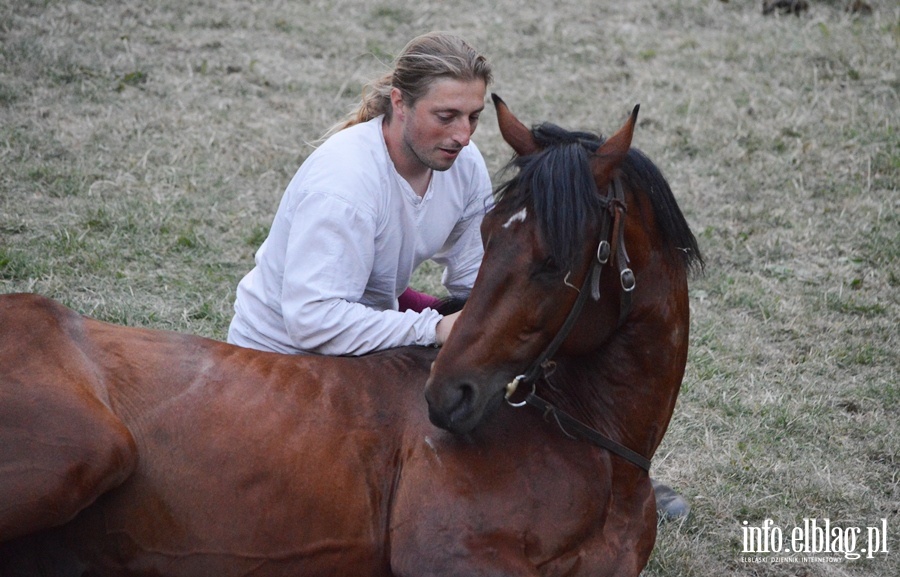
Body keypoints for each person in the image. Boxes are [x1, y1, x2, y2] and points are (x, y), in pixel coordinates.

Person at [227, 32, 493, 355]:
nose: (463, 136)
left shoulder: (465, 165)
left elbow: (475, 279)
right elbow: (312, 320)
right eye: (446, 117)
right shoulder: (345, 183)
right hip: (278, 357)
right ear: (400, 103)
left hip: (367, 345)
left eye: (473, 117)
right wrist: (433, 327)